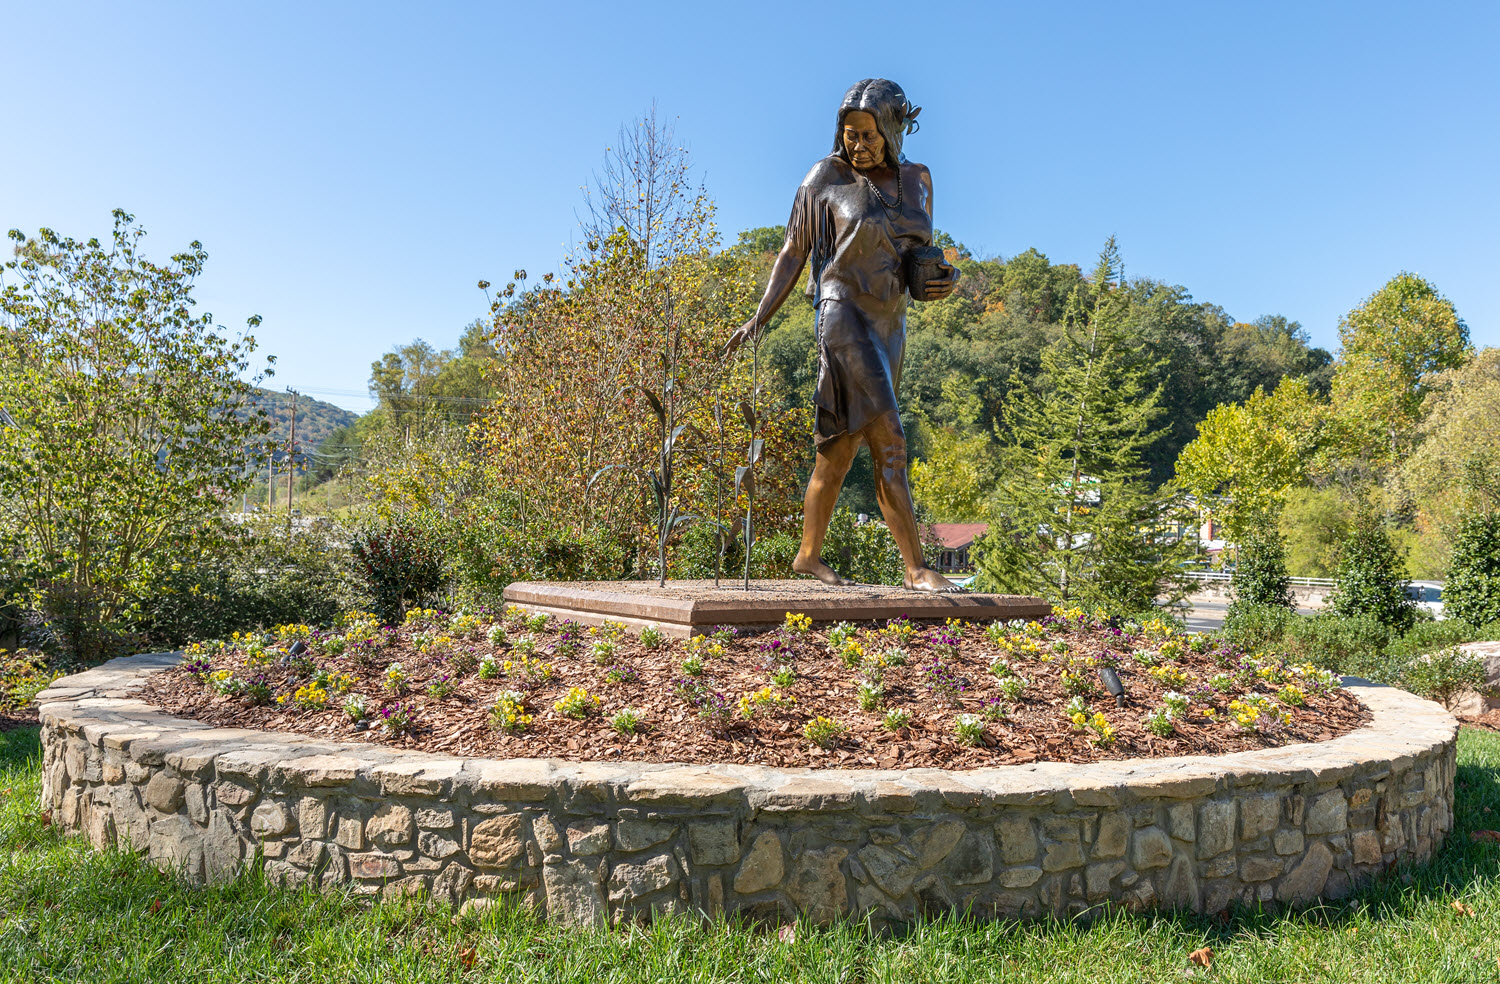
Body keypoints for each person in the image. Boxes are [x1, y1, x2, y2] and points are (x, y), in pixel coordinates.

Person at [726, 78, 964, 593]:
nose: (858, 144)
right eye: (849, 134)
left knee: (839, 449)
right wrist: (759, 318)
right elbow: (793, 251)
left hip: (889, 325)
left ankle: (807, 556)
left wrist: (942, 279)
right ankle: (917, 568)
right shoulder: (824, 177)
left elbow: (921, 258)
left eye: (869, 134)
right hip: (842, 316)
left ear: (895, 129)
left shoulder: (918, 180)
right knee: (890, 440)